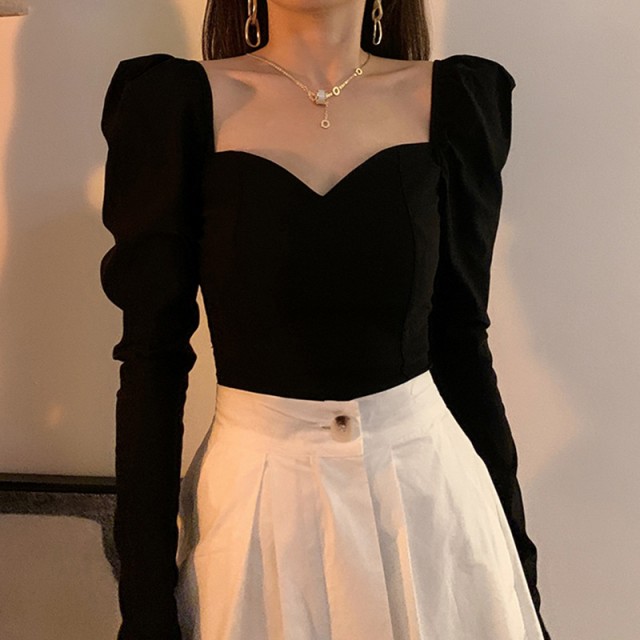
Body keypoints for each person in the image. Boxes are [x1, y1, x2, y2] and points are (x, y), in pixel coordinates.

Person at [99, 0, 553, 638]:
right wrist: (144, 606)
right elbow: (153, 361)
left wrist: (520, 571)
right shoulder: (176, 105)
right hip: (258, 514)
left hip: (428, 508)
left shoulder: (454, 102)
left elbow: (462, 348)